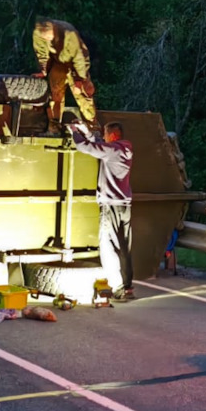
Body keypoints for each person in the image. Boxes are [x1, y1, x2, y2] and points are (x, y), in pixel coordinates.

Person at [69, 119, 134, 301]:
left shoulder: (112, 151)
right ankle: (128, 286)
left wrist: (74, 131)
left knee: (108, 245)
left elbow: (85, 147)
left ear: (112, 135)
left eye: (105, 135)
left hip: (110, 205)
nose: (104, 138)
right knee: (124, 246)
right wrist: (87, 132)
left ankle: (117, 287)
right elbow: (100, 145)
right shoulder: (125, 148)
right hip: (125, 205)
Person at [32, 17, 98, 134]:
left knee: (82, 93)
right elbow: (41, 53)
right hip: (58, 62)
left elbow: (79, 57)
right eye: (45, 37)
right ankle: (55, 125)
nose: (47, 39)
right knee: (55, 93)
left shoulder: (68, 33)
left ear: (53, 29)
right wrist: (44, 70)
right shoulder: (39, 34)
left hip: (76, 65)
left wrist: (80, 79)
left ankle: (92, 125)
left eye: (49, 36)